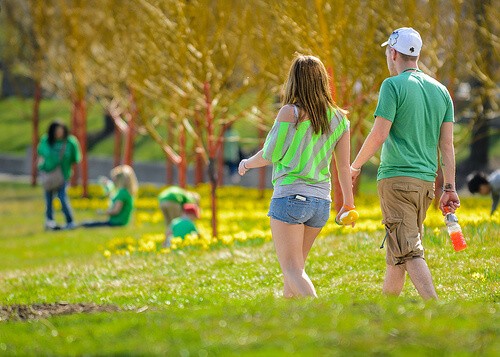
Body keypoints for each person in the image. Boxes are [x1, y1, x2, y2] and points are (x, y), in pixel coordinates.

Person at [350, 27, 460, 300]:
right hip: (425, 185)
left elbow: (379, 133)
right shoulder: (441, 91)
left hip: (396, 181)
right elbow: (446, 145)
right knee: (398, 250)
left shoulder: (392, 85)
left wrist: (354, 166)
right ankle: (388, 313)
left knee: (409, 249)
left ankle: (435, 309)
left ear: (393, 53)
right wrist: (449, 187)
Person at [238, 54, 354, 298]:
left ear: (294, 81)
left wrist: (247, 164)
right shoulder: (340, 119)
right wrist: (348, 204)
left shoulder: (290, 113)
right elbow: (344, 167)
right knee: (296, 270)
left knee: (292, 269)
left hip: (291, 198)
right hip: (321, 203)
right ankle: (293, 327)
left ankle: (320, 314)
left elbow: (270, 154)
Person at [37, 120, 81, 230]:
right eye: (56, 131)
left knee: (62, 198)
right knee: (48, 200)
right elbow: (41, 153)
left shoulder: (70, 142)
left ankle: (70, 221)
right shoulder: (46, 141)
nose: (59, 133)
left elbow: (76, 158)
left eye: (60, 131)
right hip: (48, 175)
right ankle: (49, 221)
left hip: (63, 175)